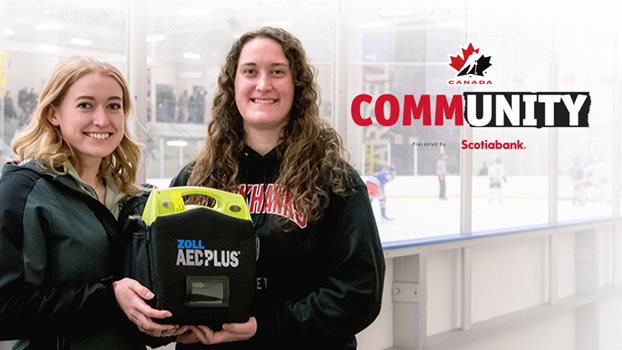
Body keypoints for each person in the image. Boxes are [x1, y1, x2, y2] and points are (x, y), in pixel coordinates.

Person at [170, 27, 385, 349]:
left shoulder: (335, 180)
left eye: (277, 72)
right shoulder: (193, 180)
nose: (263, 84)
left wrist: (266, 326)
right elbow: (165, 273)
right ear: (233, 83)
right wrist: (170, 321)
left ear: (296, 85)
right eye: (250, 71)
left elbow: (359, 291)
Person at [0, 56, 184, 349]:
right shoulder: (25, 191)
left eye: (114, 105)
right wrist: (109, 297)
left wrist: (161, 322)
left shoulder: (134, 197)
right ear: (53, 114)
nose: (102, 119)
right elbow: (6, 309)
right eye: (86, 105)